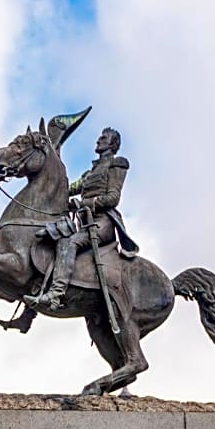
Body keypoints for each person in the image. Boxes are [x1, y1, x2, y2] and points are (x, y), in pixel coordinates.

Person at [24, 127, 139, 310]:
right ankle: (29, 313)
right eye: (100, 137)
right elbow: (68, 190)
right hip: (85, 224)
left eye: (103, 138)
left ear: (113, 144)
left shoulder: (117, 164)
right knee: (50, 240)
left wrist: (83, 203)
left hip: (102, 223)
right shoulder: (89, 174)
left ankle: (56, 294)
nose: (98, 140)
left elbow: (113, 198)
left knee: (68, 244)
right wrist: (44, 183)